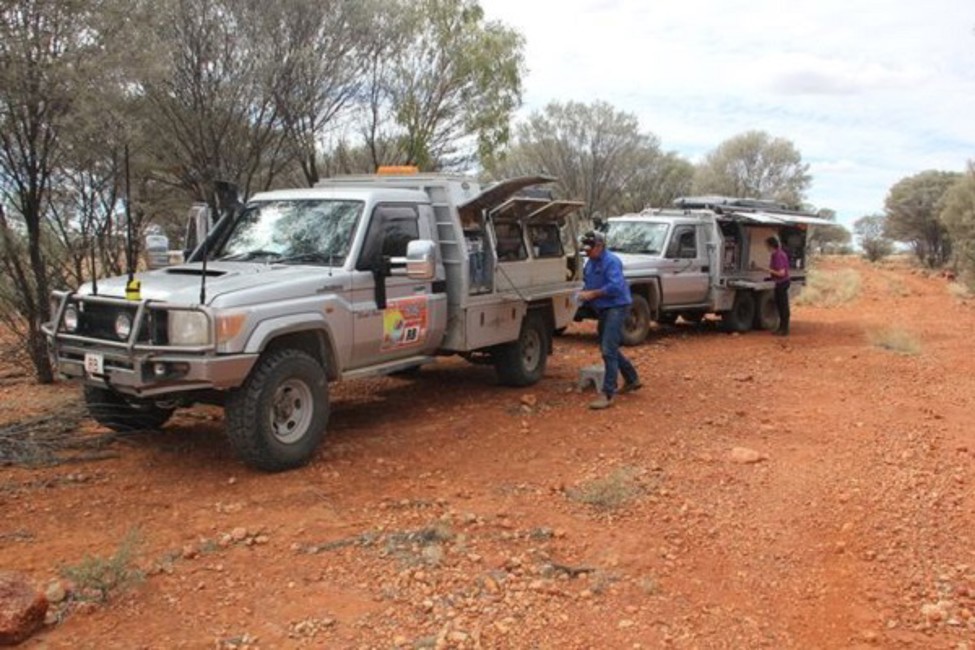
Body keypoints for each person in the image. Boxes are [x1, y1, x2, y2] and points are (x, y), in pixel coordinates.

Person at [577, 231, 641, 409]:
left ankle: (607, 393)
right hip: (603, 308)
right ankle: (632, 378)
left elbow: (615, 286)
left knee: (607, 349)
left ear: (599, 246)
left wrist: (593, 294)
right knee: (609, 347)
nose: (587, 253)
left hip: (617, 307)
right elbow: (587, 282)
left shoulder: (611, 261)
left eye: (590, 249)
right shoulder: (590, 263)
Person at [760, 235, 791, 336]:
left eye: (767, 246)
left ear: (771, 245)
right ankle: (781, 328)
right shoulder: (776, 255)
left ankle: (784, 329)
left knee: (783, 306)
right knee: (780, 306)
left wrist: (766, 270)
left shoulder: (778, 255)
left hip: (782, 282)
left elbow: (781, 273)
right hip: (780, 283)